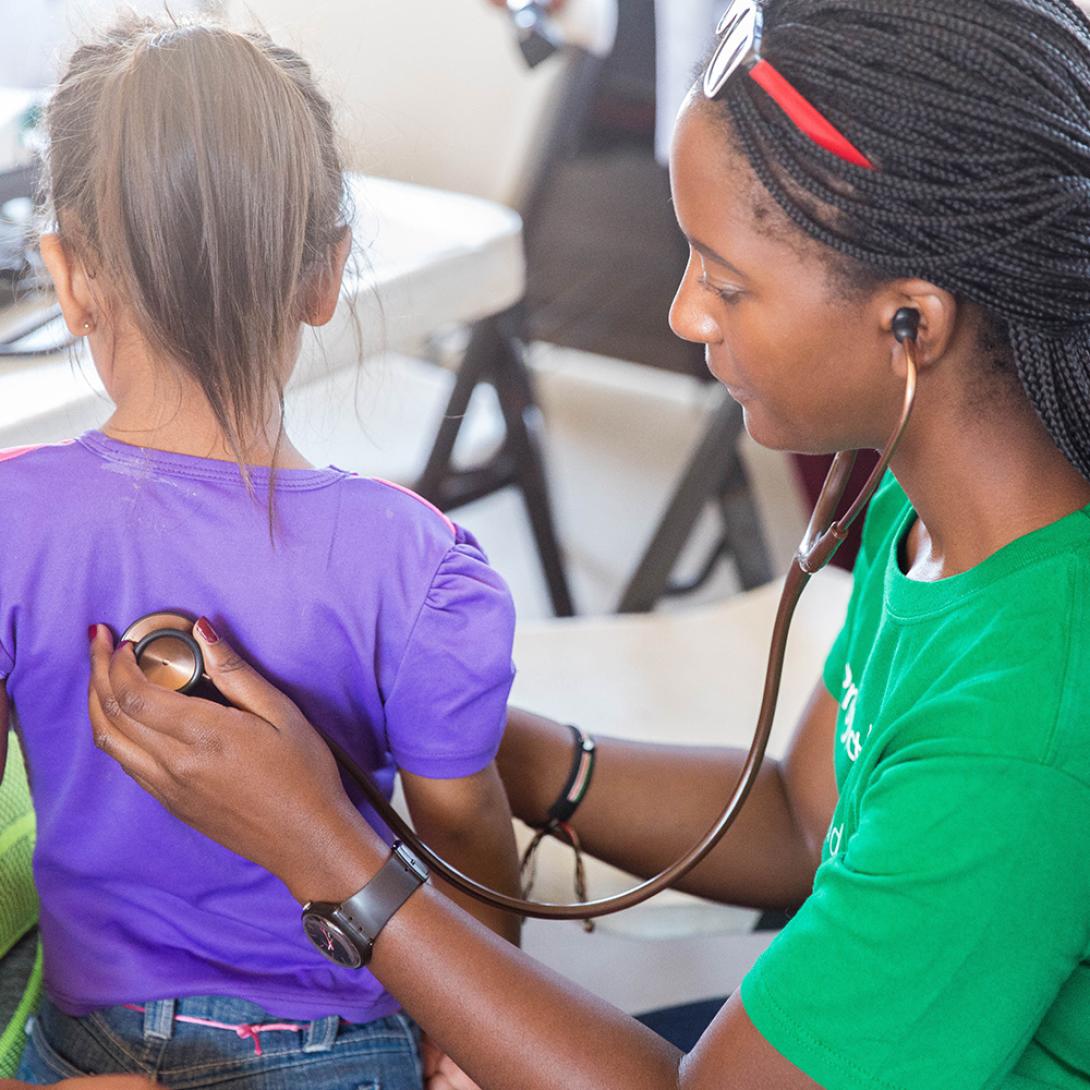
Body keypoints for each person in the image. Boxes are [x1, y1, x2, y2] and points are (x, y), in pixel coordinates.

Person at [88, 0, 1090, 1086]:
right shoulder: (935, 496)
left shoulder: (1025, 726)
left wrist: (325, 848)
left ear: (913, 323)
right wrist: (464, 736)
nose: (683, 314)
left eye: (725, 278)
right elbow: (808, 821)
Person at [1, 13, 521, 1089]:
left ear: (67, 274)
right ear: (326, 275)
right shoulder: (419, 566)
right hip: (344, 1043)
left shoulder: (13, 521)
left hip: (90, 1036)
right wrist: (473, 1030)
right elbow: (465, 831)